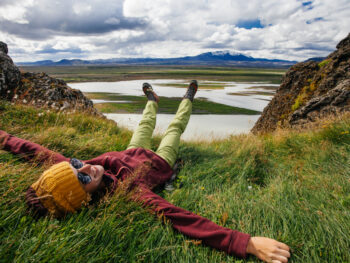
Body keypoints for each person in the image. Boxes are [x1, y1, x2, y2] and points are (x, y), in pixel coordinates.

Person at [0, 81, 290, 262]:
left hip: (131, 150)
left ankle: (152, 101)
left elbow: (31, 149)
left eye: (76, 164)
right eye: (84, 178)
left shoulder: (77, 169)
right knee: (175, 129)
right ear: (86, 199)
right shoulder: (128, 193)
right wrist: (247, 243)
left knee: (144, 125)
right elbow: (180, 218)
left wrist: (2, 138)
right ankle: (188, 99)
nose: (87, 166)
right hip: (161, 160)